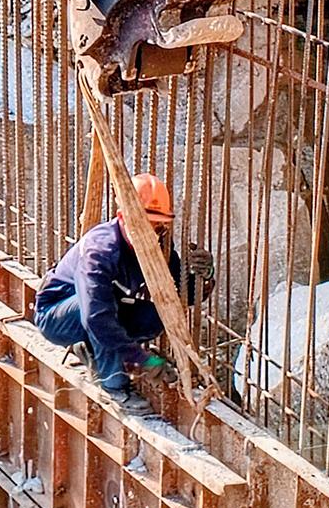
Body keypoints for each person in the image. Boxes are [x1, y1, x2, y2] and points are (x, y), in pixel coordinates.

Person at [32, 172, 215, 402]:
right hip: (59, 316)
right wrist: (143, 360)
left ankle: (94, 349)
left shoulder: (159, 243)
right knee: (102, 314)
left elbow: (179, 294)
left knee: (154, 315)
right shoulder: (100, 251)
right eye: (144, 224)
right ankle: (114, 384)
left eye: (158, 226)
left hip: (104, 309)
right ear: (122, 217)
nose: (151, 233)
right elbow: (96, 316)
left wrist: (204, 277)